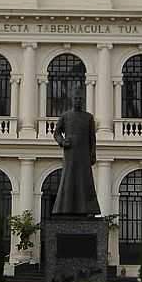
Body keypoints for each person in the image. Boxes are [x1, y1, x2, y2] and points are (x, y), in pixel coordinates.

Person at [52, 88, 100, 216]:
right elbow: (56, 133)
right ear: (72, 100)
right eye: (76, 98)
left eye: (80, 99)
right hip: (70, 153)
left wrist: (93, 154)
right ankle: (65, 209)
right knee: (69, 179)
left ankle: (87, 209)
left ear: (83, 101)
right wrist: (62, 142)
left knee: (85, 181)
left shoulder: (88, 117)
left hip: (84, 153)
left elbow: (92, 138)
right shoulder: (66, 116)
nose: (78, 101)